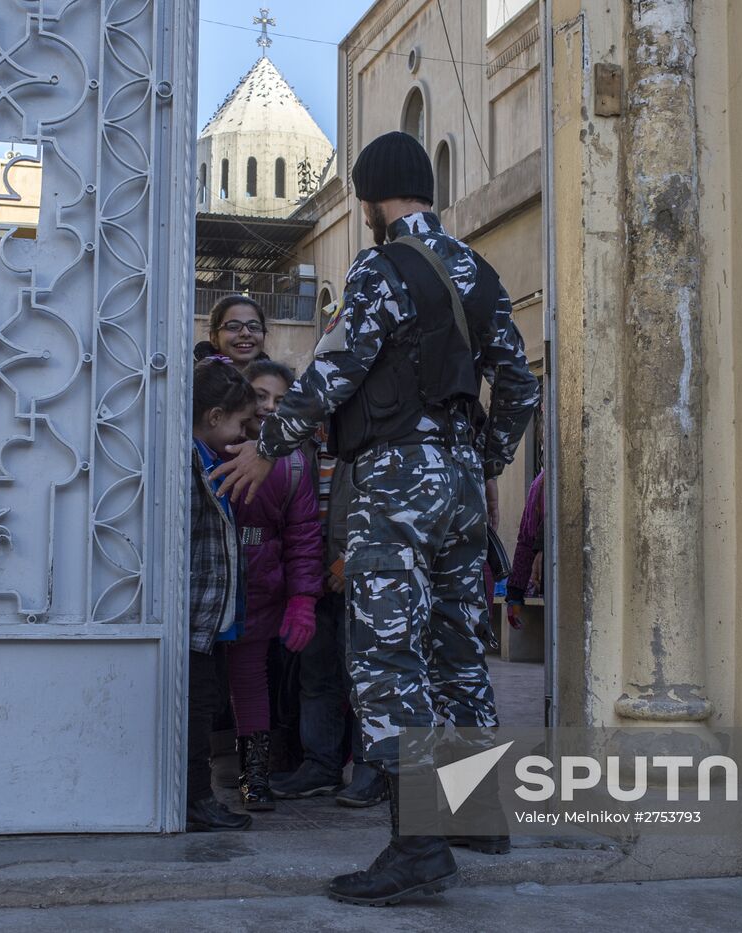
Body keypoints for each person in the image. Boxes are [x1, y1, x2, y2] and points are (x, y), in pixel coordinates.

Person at [214, 131, 539, 905]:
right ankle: (476, 814)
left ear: (369, 199)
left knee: (387, 658)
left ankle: (418, 845)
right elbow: (519, 386)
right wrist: (484, 461)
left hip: (394, 480)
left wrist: (268, 444)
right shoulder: (477, 270)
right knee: (459, 649)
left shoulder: (381, 266)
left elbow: (333, 371)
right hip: (460, 481)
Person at [271, 425, 389, 809]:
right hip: (311, 581)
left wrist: (347, 562)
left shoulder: (369, 442)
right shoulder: (298, 448)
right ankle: (320, 766)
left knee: (365, 679)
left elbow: (384, 509)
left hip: (360, 581)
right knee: (316, 678)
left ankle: (373, 771)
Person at [225, 359, 322, 811]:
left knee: (250, 678)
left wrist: (303, 597)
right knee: (198, 682)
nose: (268, 407)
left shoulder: (296, 461)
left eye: (281, 400)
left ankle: (254, 777)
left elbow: (303, 534)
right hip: (210, 578)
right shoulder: (214, 442)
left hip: (262, 583)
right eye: (260, 396)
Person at [187, 359, 260, 832]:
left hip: (211, 615)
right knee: (197, 708)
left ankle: (198, 795)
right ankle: (194, 798)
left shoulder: (212, 458)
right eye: (239, 422)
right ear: (214, 416)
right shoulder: (192, 461)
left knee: (208, 701)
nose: (243, 433)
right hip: (195, 612)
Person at [505, 469, 546, 631]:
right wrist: (515, 593)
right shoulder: (540, 484)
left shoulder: (542, 483)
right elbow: (526, 539)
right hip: (551, 574)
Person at [207, 295, 269, 369]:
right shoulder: (192, 378)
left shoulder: (277, 378)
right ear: (214, 339)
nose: (246, 333)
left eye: (254, 327)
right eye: (233, 327)